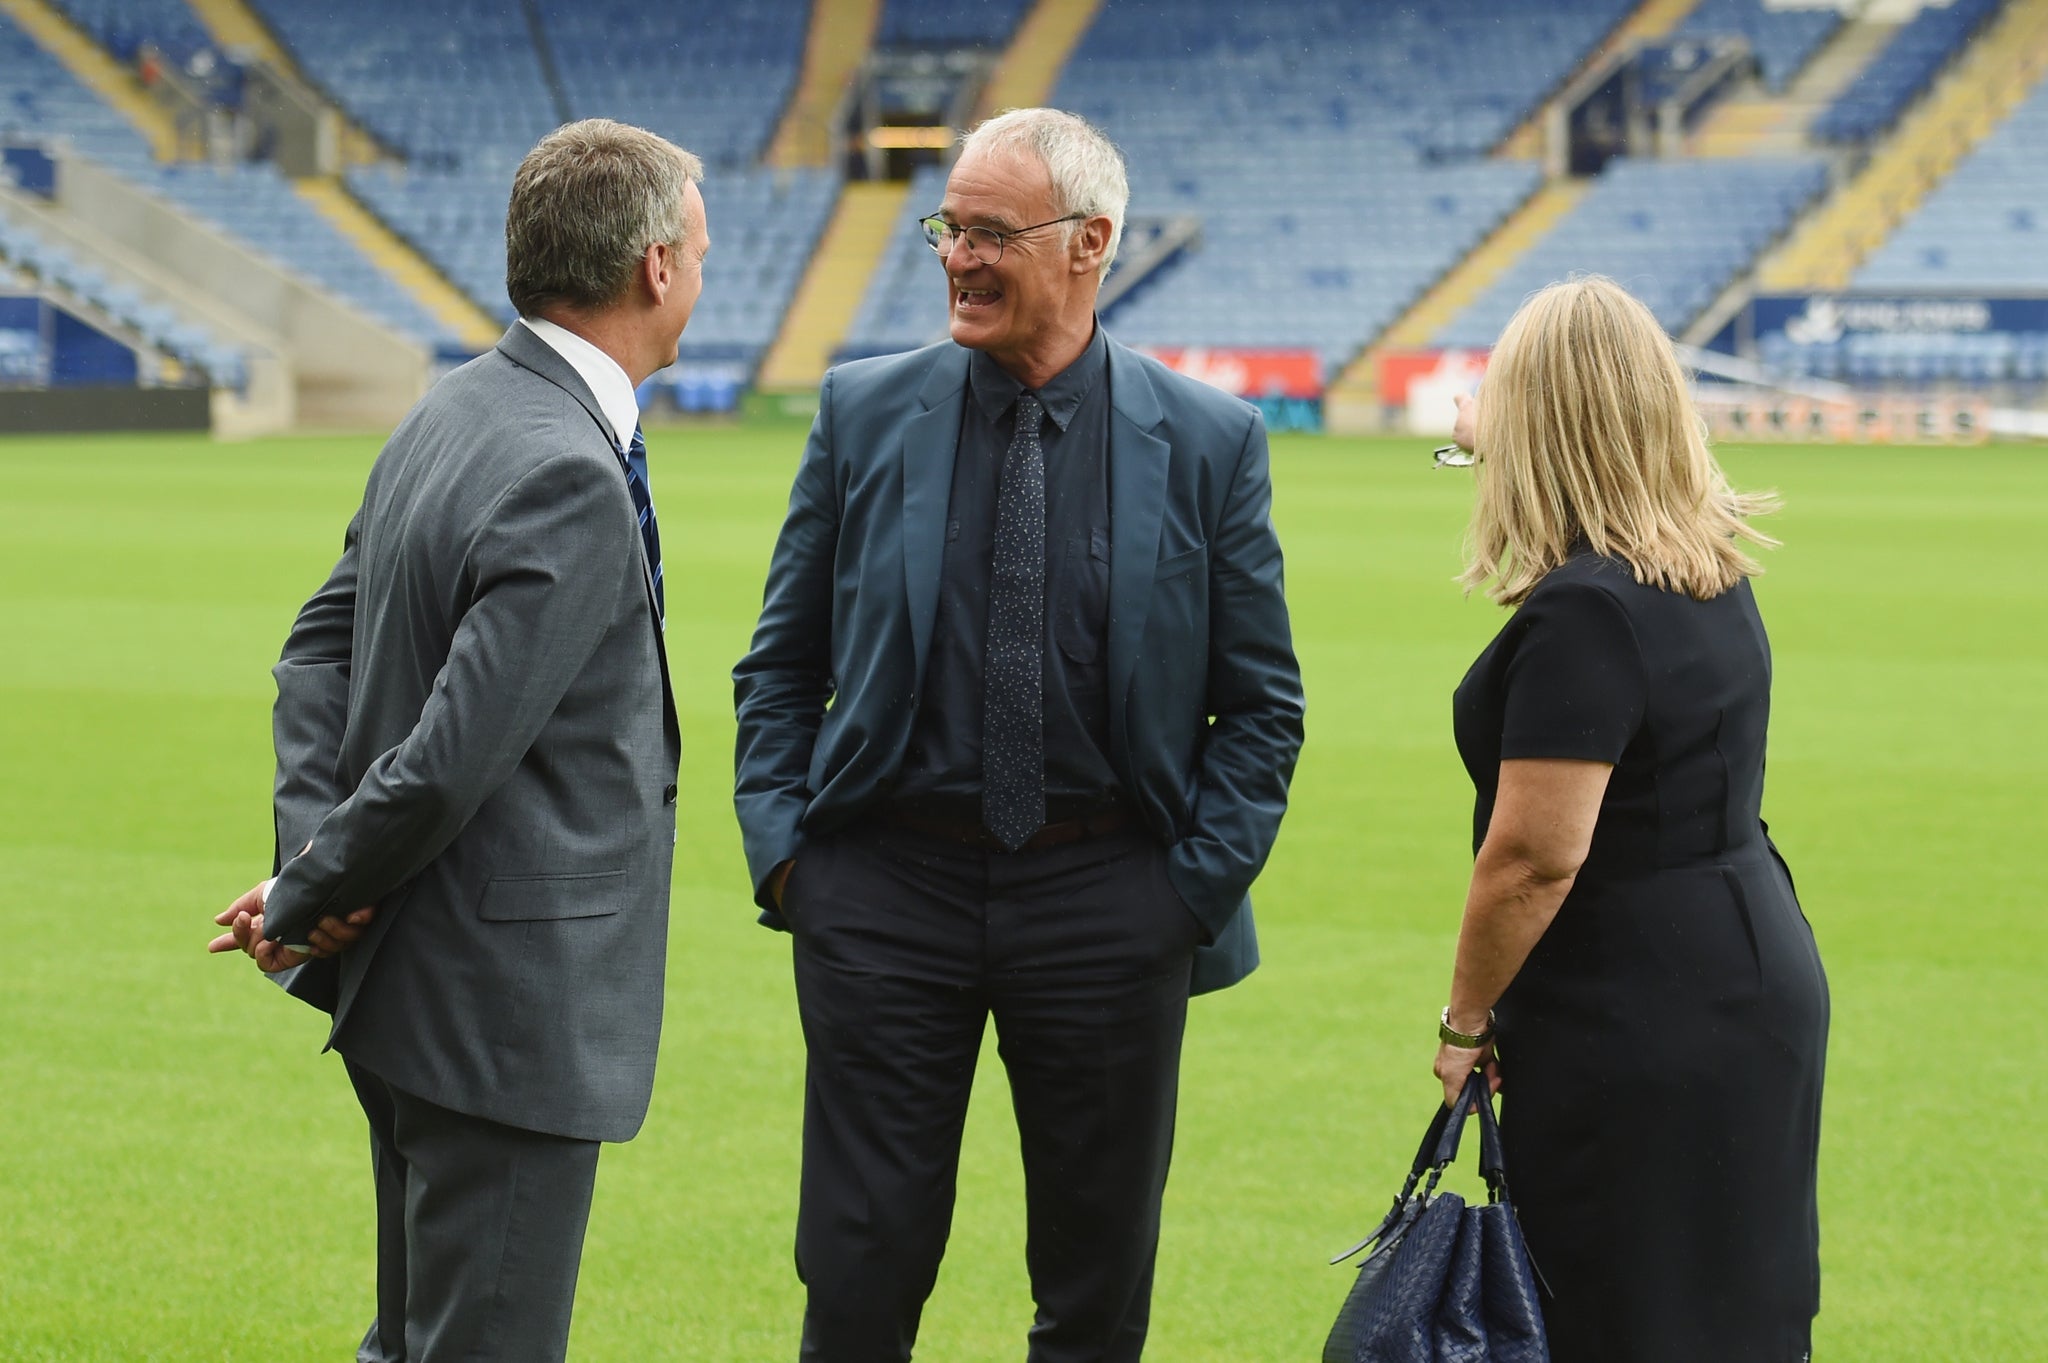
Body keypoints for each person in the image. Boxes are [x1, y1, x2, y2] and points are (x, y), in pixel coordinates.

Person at [732, 107, 1304, 1362]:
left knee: (1095, 1293)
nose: (955, 257)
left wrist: (1184, 893)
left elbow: (1261, 705)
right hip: (885, 890)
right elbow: (779, 666)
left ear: (1089, 243)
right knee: (856, 1276)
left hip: (1110, 897)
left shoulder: (1209, 442)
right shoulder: (860, 413)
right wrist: (791, 861)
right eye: (950, 228)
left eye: (991, 233)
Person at [207, 118, 702, 1362]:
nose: (703, 272)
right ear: (653, 267)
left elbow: (312, 653)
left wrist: (312, 870)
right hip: (507, 1017)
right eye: (700, 248)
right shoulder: (569, 471)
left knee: (415, 1341)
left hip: (411, 997)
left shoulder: (451, 411)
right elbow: (450, 756)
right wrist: (307, 890)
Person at [1430, 276, 1828, 1363]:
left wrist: (1466, 1020)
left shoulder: (1584, 609)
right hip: (1740, 962)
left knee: (1623, 1308)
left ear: (1540, 418)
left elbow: (1532, 858)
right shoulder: (1702, 566)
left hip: (1636, 1004)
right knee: (1730, 1306)